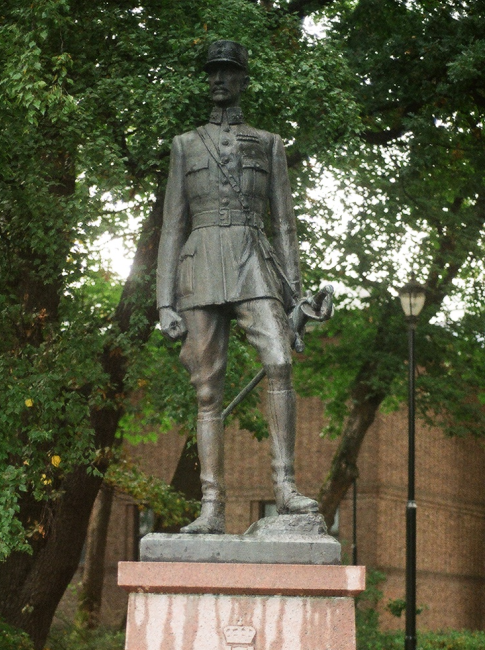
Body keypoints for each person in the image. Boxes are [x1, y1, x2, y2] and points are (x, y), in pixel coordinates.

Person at [157, 39, 318, 534]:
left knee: (279, 360)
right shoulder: (185, 145)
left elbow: (284, 225)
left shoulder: (268, 143)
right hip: (200, 266)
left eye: (228, 72)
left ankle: (285, 487)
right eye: (213, 72)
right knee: (207, 391)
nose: (218, 80)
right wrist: (164, 301)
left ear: (243, 80)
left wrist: (296, 295)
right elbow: (172, 226)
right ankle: (212, 507)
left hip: (253, 262)